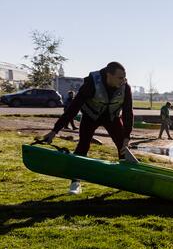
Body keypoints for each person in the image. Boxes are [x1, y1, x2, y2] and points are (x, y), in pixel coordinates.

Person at [41, 62, 133, 195]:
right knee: (83, 145)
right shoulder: (91, 83)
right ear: (109, 75)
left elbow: (128, 112)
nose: (123, 81)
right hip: (90, 116)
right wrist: (55, 130)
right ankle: (75, 182)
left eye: (124, 77)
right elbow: (74, 108)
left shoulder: (125, 88)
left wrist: (127, 136)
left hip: (111, 117)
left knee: (122, 146)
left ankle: (126, 179)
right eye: (120, 78)